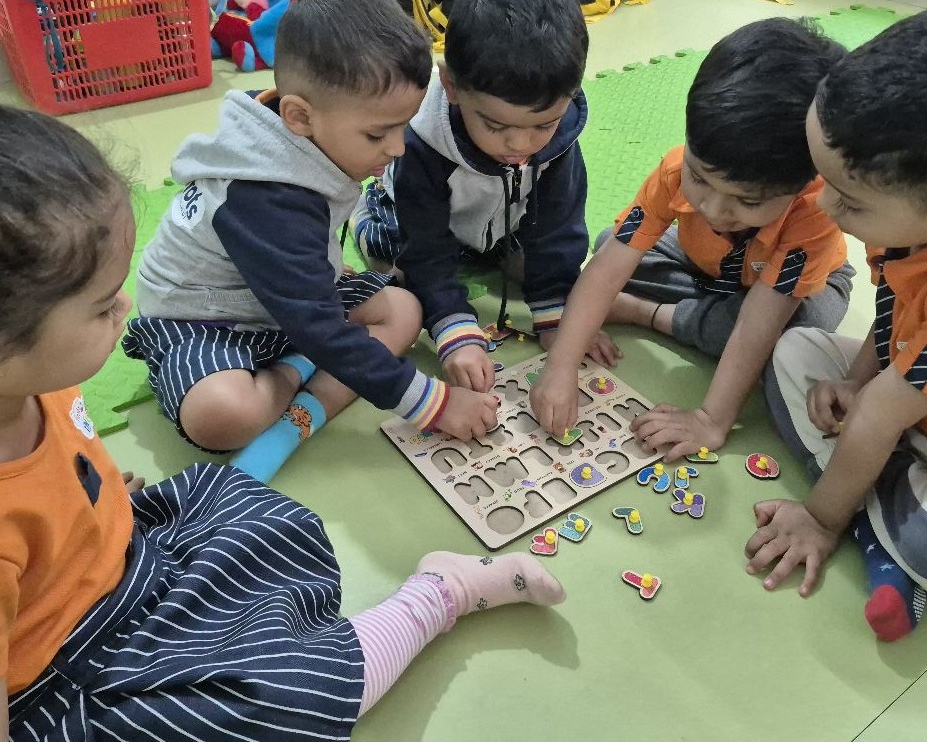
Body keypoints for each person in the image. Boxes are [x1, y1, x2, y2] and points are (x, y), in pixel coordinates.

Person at [0, 107, 566, 740]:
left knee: (247, 510)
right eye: (104, 305)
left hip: (127, 563)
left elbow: (61, 465)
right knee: (280, 703)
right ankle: (440, 595)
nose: (127, 305)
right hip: (68, 667)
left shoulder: (41, 378)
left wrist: (94, 505)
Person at [123, 0, 498, 457]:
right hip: (208, 320)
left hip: (286, 301)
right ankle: (298, 369)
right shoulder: (265, 200)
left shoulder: (307, 125)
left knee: (405, 309)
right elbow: (307, 288)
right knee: (221, 416)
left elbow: (310, 233)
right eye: (377, 134)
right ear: (299, 117)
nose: (398, 148)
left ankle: (305, 378)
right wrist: (435, 405)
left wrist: (323, 271)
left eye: (403, 127)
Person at [746, 2, 927, 642]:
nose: (825, 207)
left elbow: (887, 410)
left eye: (850, 203)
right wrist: (857, 381)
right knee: (793, 352)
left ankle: (862, 522)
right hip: (910, 398)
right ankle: (878, 509)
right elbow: (892, 306)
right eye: (823, 180)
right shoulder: (909, 210)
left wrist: (820, 520)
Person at [530, 18, 854, 445]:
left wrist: (711, 419)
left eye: (747, 201)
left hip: (792, 292)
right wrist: (561, 365)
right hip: (702, 263)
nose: (714, 209)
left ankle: (644, 312)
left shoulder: (814, 211)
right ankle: (694, 308)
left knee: (787, 337)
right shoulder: (675, 169)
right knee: (610, 245)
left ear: (801, 183)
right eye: (698, 178)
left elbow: (756, 324)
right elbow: (610, 265)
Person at [351, 0, 619, 395]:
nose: (520, 144)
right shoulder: (422, 144)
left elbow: (559, 227)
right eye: (495, 126)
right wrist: (453, 329)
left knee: (544, 267)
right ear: (451, 86)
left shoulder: (560, 135)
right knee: (401, 279)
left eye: (543, 125)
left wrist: (556, 316)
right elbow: (426, 249)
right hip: (414, 221)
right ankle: (369, 217)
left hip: (501, 223)